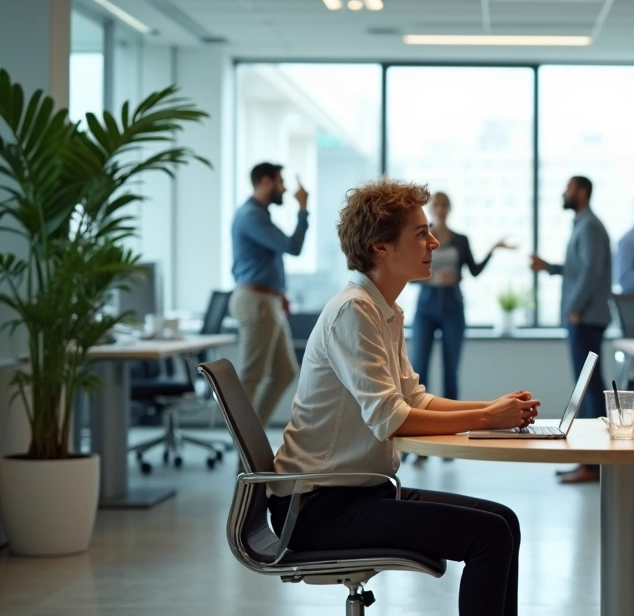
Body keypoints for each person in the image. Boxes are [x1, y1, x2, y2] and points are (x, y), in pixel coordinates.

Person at [268, 178, 540, 616]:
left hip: (358, 492)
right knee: (489, 536)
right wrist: (488, 419)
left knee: (503, 522)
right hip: (316, 508)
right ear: (381, 247)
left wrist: (492, 410)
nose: (433, 241)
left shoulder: (383, 309)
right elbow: (391, 418)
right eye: (420, 233)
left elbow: (416, 398)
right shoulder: (354, 311)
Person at [409, 192, 515, 465]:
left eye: (445, 205)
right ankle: (418, 446)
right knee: (418, 373)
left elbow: (475, 270)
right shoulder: (420, 236)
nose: (441, 209)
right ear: (431, 209)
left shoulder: (461, 240)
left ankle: (449, 440)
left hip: (454, 308)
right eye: (437, 205)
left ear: (450, 209)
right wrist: (434, 281)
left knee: (450, 372)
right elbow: (408, 273)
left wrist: (492, 250)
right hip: (426, 308)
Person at [529, 175, 612, 484]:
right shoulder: (583, 224)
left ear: (583, 191)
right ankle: (592, 460)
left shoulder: (589, 225)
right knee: (587, 387)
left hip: (586, 317)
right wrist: (549, 267)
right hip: (585, 316)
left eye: (568, 188)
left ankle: (593, 463)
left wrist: (574, 307)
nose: (564, 193)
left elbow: (591, 270)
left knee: (588, 389)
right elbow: (579, 267)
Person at [230, 162, 308, 427]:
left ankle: (254, 438)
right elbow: (292, 246)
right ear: (265, 181)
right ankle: (247, 453)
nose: (284, 188)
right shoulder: (251, 215)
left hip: (267, 300)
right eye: (280, 181)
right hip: (257, 302)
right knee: (250, 378)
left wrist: (278, 291)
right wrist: (303, 209)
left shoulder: (259, 215)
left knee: (285, 373)